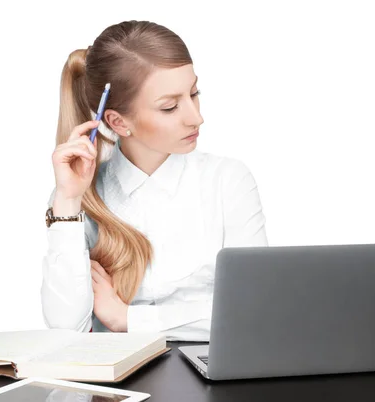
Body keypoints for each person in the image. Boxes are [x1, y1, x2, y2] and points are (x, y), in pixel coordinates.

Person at [42, 20, 268, 342]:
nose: (196, 117)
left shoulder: (227, 182)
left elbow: (254, 310)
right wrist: (67, 201)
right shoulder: (80, 195)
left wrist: (127, 318)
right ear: (118, 122)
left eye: (194, 93)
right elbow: (65, 330)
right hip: (117, 385)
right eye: (170, 106)